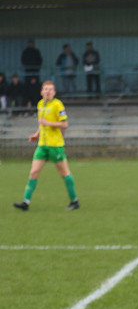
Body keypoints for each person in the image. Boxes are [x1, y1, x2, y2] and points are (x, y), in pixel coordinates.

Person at [12, 80, 80, 211]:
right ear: (41, 91)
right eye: (46, 89)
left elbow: (64, 124)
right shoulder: (40, 105)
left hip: (55, 145)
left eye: (50, 89)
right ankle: (25, 202)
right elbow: (42, 124)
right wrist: (36, 134)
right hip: (42, 145)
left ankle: (74, 201)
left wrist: (48, 123)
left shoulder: (57, 105)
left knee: (64, 172)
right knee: (33, 172)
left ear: (54, 92)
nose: (48, 91)